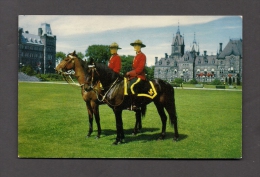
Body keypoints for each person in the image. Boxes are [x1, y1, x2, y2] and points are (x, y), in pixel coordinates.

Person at [126, 39, 147, 110]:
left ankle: (135, 104)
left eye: (136, 45)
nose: (134, 46)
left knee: (131, 87)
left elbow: (139, 69)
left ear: (140, 47)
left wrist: (130, 73)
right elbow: (134, 68)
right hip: (135, 76)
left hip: (140, 76)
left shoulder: (142, 56)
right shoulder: (136, 56)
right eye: (134, 45)